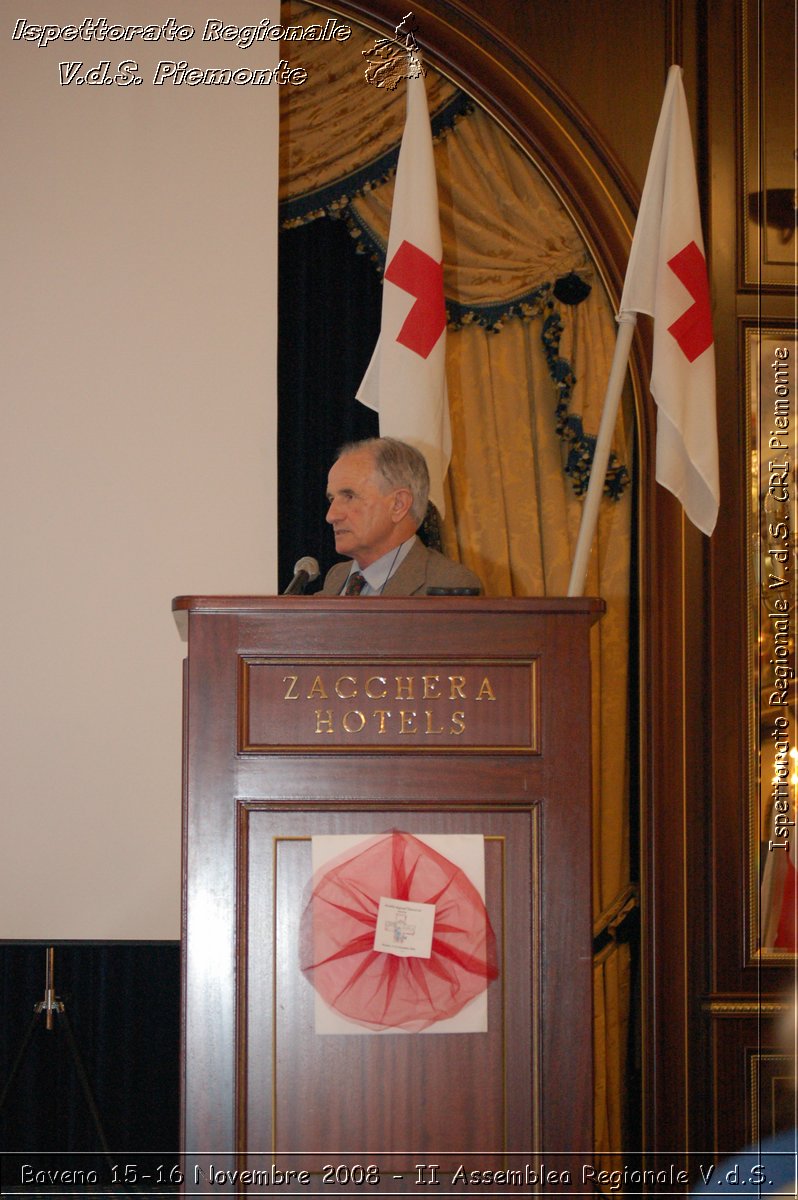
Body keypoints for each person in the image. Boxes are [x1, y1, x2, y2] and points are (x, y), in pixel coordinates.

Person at [319, 437, 483, 596]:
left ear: (398, 505)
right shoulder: (337, 577)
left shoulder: (449, 584)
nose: (331, 516)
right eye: (332, 499)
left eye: (349, 497)